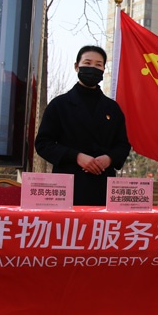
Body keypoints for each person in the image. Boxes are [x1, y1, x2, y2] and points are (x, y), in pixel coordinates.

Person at [35, 45, 131, 206]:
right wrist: (77, 156)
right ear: (76, 66)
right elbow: (43, 144)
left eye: (98, 65)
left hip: (102, 186)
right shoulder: (59, 105)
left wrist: (109, 159)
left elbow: (123, 145)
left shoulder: (112, 108)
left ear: (103, 69)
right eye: (87, 63)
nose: (92, 68)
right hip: (66, 186)